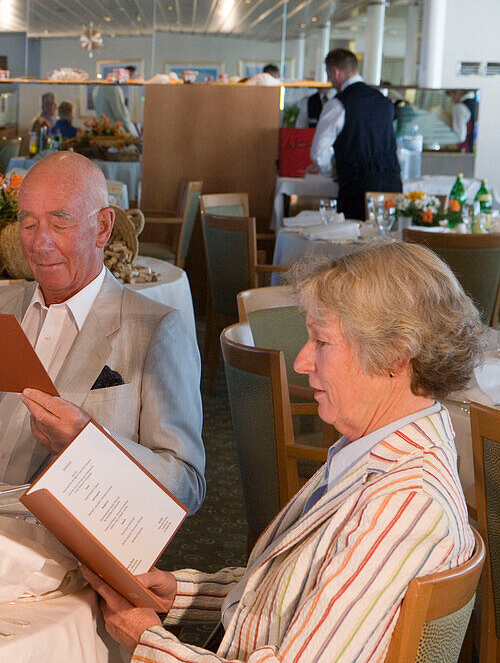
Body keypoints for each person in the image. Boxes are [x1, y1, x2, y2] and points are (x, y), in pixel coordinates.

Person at [85, 241, 477, 662]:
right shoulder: (373, 450)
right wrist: (180, 593)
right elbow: (297, 590)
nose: (302, 361)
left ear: (395, 358)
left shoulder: (403, 505)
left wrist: (148, 642)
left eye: (322, 341)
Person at [0, 152, 205, 511]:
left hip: (56, 540)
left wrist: (89, 443)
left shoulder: (155, 328)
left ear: (103, 227)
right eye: (28, 225)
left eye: (59, 224)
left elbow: (186, 486)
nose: (39, 244)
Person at [305, 49, 401, 220]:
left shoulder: (338, 104)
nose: (330, 81)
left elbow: (318, 153)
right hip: (391, 183)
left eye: (329, 75)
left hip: (357, 185)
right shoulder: (385, 101)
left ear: (335, 72)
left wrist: (332, 170)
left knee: (355, 243)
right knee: (389, 240)